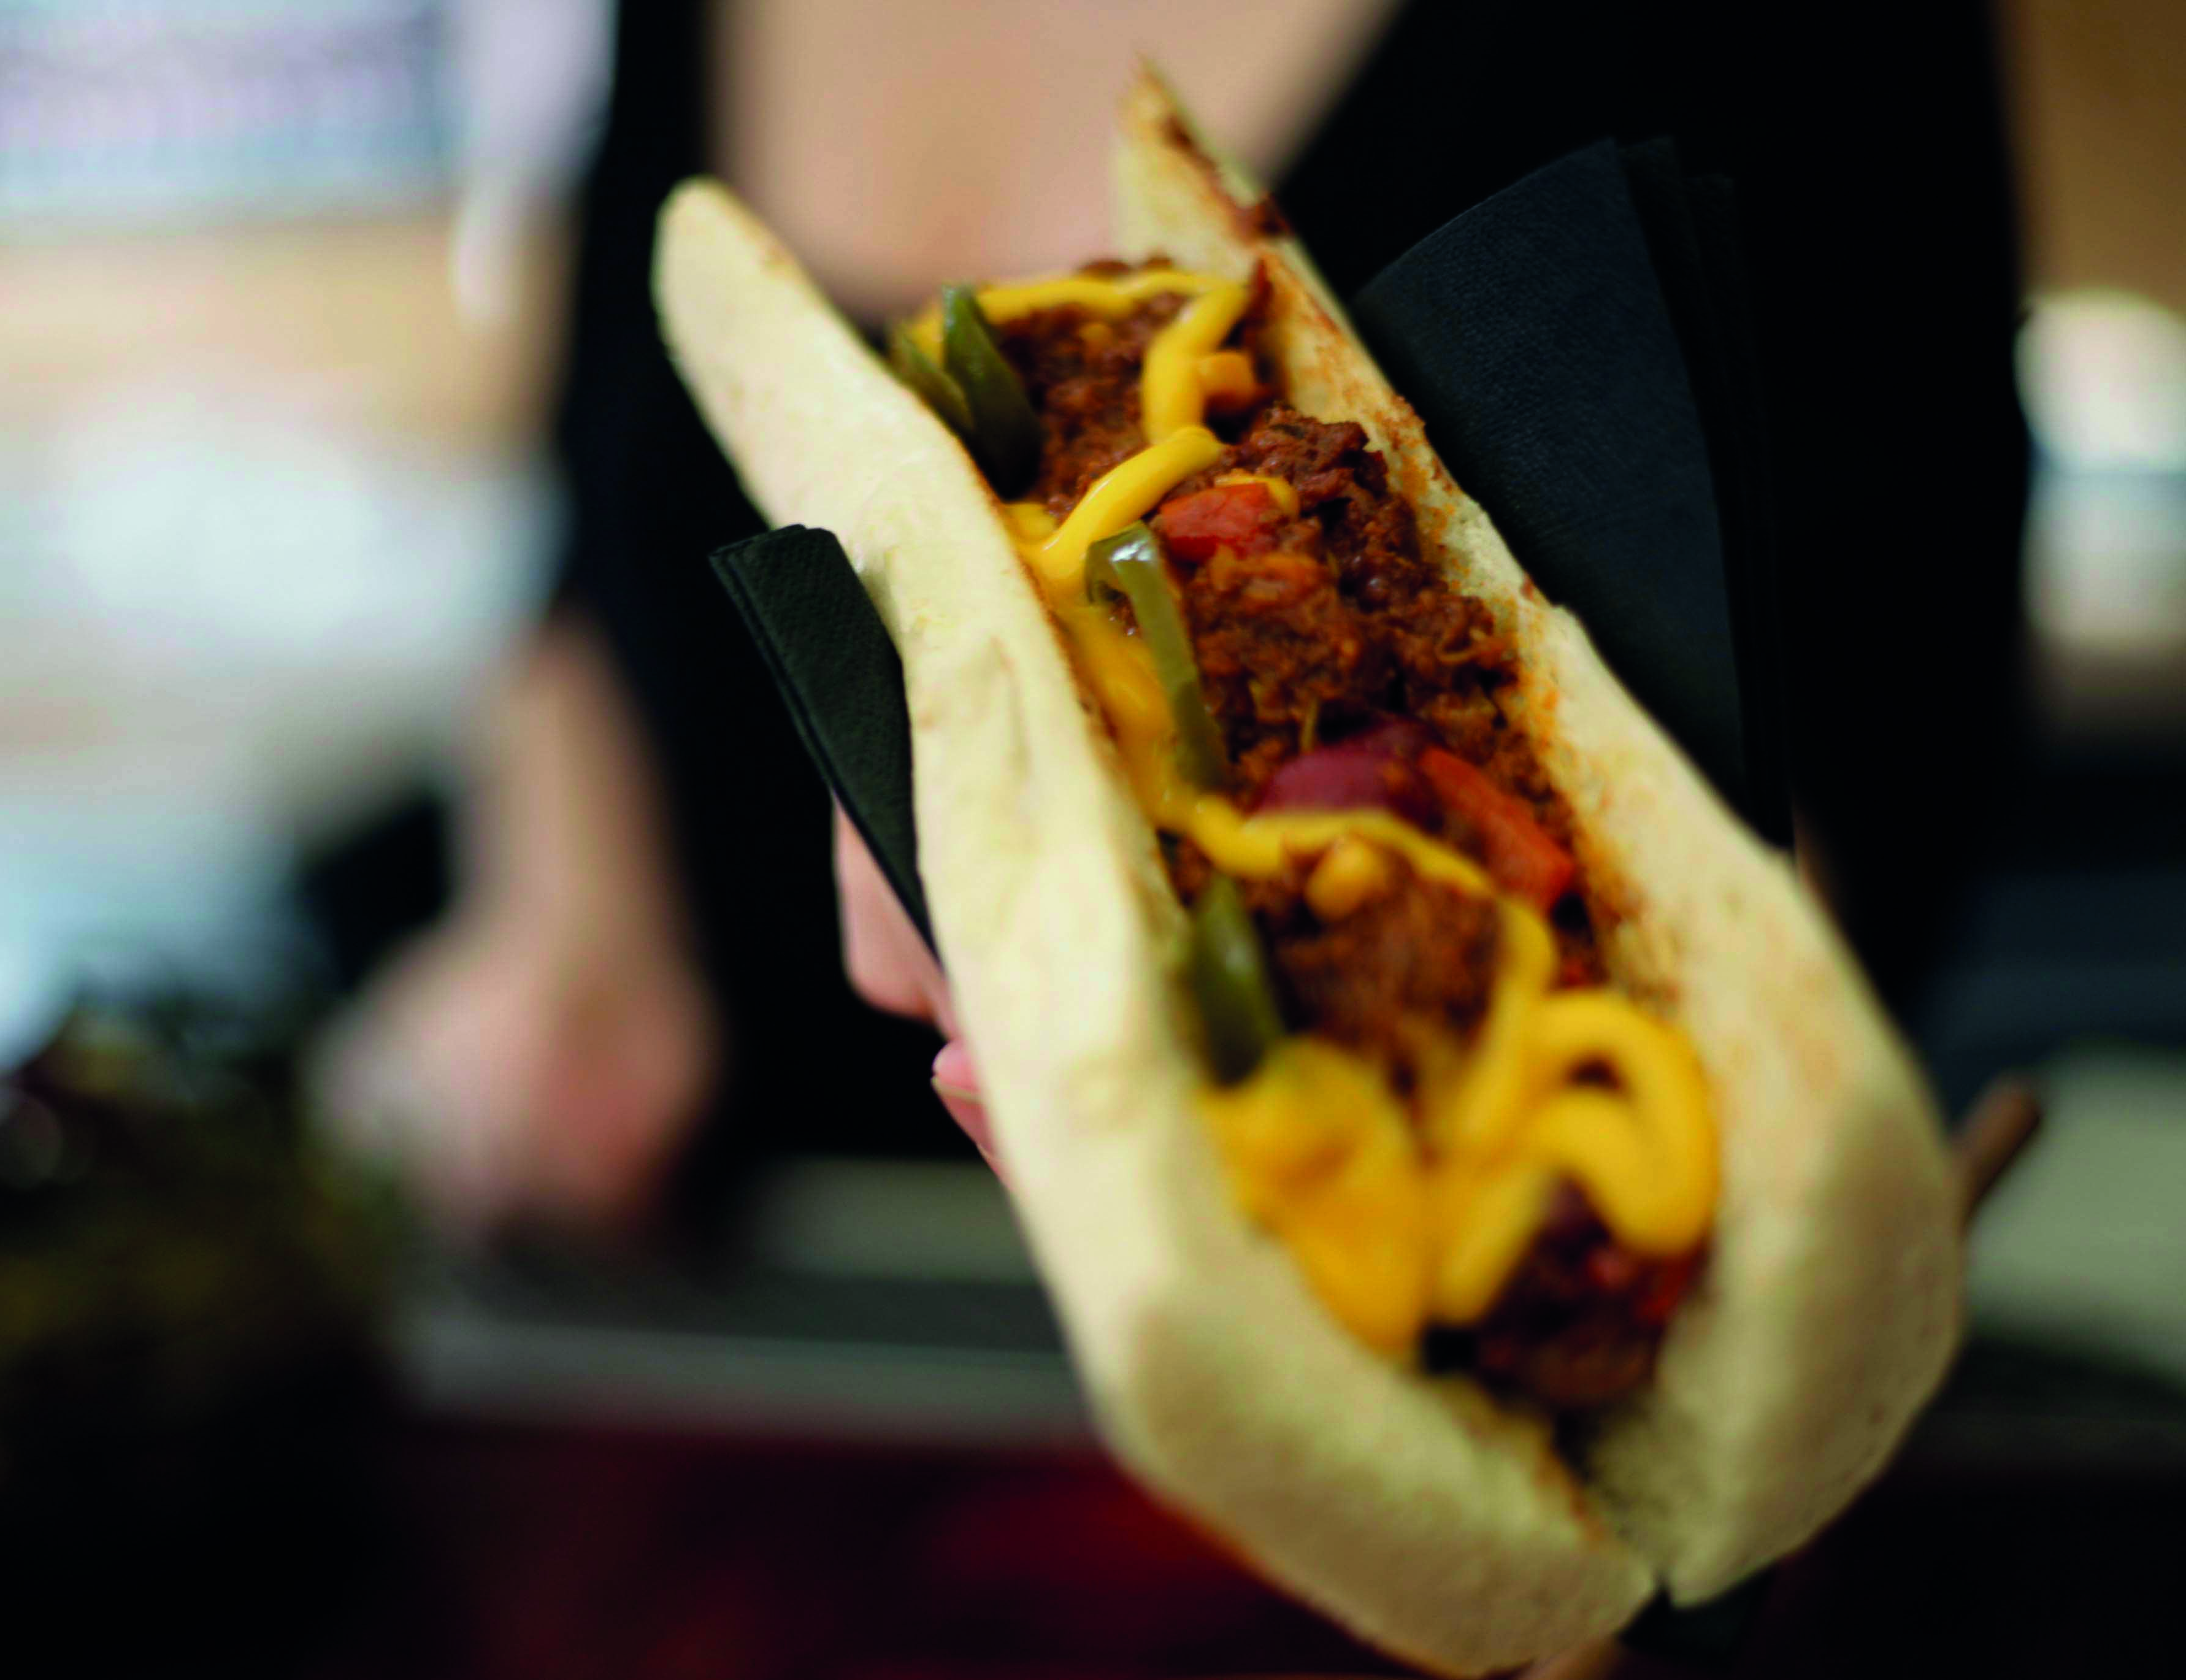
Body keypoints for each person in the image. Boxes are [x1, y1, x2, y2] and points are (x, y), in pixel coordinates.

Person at [327, 0, 2027, 1237]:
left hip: (1413, 1273)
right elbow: (589, 553)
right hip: (751, 1313)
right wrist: (562, 911)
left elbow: (1877, 736)